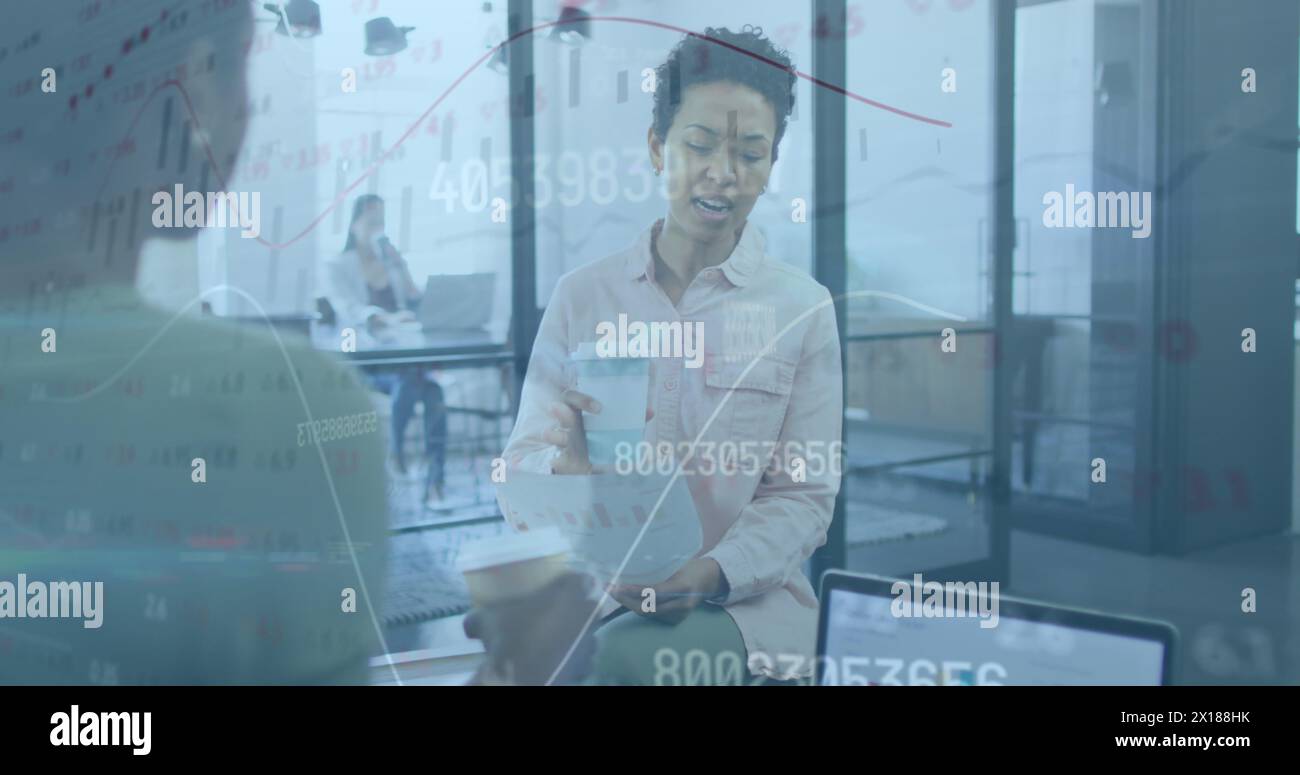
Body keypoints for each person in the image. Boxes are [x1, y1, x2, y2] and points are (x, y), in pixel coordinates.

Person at [0, 0, 591, 686]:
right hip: (377, 365)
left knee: (425, 390)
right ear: (192, 87)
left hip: (407, 352)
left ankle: (429, 475)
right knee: (414, 391)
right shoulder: (285, 413)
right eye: (246, 68)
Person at [500, 26, 843, 685]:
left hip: (742, 605)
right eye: (700, 144)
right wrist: (563, 480)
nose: (723, 171)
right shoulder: (583, 297)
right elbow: (522, 464)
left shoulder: (803, 309)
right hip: (591, 593)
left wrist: (710, 574)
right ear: (659, 149)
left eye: (750, 152)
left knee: (620, 660)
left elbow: (804, 497)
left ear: (771, 167)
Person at [322, 195, 448, 506]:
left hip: (404, 356)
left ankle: (431, 480)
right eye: (371, 220)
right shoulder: (337, 265)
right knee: (417, 384)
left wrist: (402, 266)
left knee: (433, 395)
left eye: (382, 220)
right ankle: (406, 460)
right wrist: (386, 318)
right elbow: (348, 308)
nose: (378, 227)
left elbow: (416, 299)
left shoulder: (390, 262)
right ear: (354, 225)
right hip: (368, 361)